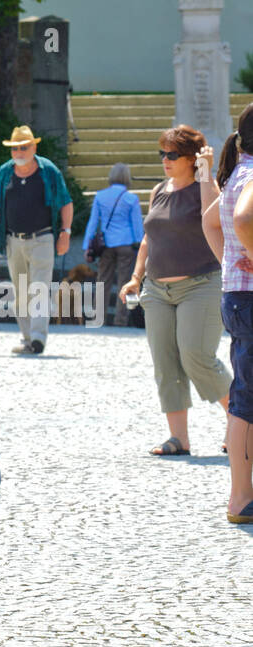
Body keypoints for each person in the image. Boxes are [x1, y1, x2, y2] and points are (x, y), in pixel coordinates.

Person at [116, 125, 229, 458]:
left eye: (172, 154)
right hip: (156, 289)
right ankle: (178, 438)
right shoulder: (158, 190)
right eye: (162, 153)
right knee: (166, 364)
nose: (165, 159)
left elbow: (215, 217)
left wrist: (206, 172)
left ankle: (242, 420)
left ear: (192, 158)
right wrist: (136, 277)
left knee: (197, 357)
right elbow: (150, 239)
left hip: (201, 285)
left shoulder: (206, 187)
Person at [0, 125, 74, 355]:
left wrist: (65, 233)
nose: (19, 152)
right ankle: (27, 337)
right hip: (14, 240)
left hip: (42, 238)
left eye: (24, 147)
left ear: (34, 147)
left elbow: (65, 202)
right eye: (15, 148)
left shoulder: (48, 171)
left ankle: (39, 337)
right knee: (21, 292)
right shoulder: (4, 172)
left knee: (40, 289)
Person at [203, 102, 253, 522]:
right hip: (250, 297)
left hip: (240, 295)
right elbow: (244, 217)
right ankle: (240, 498)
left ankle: (241, 496)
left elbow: (210, 221)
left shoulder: (239, 170)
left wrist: (229, 262)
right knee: (247, 400)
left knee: (245, 397)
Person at [84, 162, 144, 325]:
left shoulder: (100, 196)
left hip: (106, 245)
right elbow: (137, 224)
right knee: (125, 282)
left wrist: (86, 245)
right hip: (126, 244)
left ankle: (98, 317)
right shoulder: (131, 198)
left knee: (103, 280)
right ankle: (121, 319)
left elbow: (93, 221)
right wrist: (141, 245)